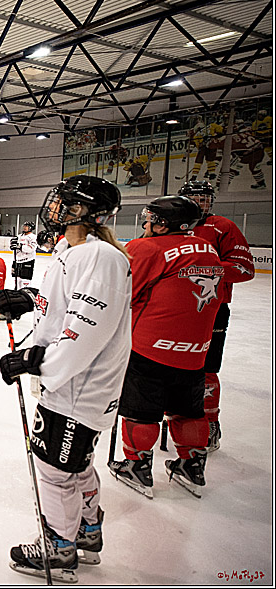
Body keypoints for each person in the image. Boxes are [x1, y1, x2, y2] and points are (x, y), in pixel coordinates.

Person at [0, 174, 131, 582]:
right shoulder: (74, 251)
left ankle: (60, 551)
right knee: (76, 466)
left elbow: (86, 327)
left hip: (78, 386)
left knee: (54, 469)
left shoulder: (101, 256)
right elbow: (62, 309)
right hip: (70, 382)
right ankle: (87, 535)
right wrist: (27, 299)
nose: (54, 207)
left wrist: (39, 361)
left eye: (64, 202)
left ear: (86, 212)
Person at [109, 195, 223, 500]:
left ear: (164, 224)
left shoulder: (145, 248)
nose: (147, 223)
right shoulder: (209, 250)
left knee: (142, 411)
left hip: (151, 346)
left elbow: (124, 293)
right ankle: (191, 464)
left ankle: (137, 466)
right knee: (187, 410)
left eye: (151, 218)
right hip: (196, 349)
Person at [178, 180, 255, 451]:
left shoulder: (223, 226)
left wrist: (204, 268)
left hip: (211, 310)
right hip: (172, 310)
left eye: (205, 197)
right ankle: (173, 415)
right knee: (170, 365)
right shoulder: (172, 224)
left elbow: (244, 269)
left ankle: (210, 421)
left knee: (207, 368)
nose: (201, 202)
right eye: (195, 197)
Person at [10, 221, 38, 288]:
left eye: (27, 226)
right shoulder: (18, 236)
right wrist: (12, 245)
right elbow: (14, 247)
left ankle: (25, 295)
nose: (25, 227)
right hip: (17, 261)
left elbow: (31, 249)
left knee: (25, 281)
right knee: (17, 281)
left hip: (27, 261)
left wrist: (20, 246)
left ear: (31, 228)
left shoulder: (33, 237)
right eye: (24, 226)